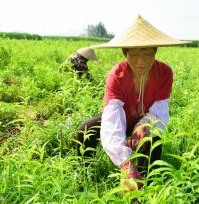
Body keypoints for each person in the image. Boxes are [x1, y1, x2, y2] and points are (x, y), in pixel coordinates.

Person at [76, 15, 189, 190]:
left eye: (147, 54)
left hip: (145, 118)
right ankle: (86, 176)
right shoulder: (117, 75)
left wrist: (141, 128)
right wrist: (125, 163)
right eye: (134, 54)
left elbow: (159, 113)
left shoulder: (164, 72)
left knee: (150, 139)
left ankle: (146, 187)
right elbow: (112, 119)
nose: (141, 61)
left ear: (155, 52)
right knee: (86, 129)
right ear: (125, 53)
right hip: (120, 116)